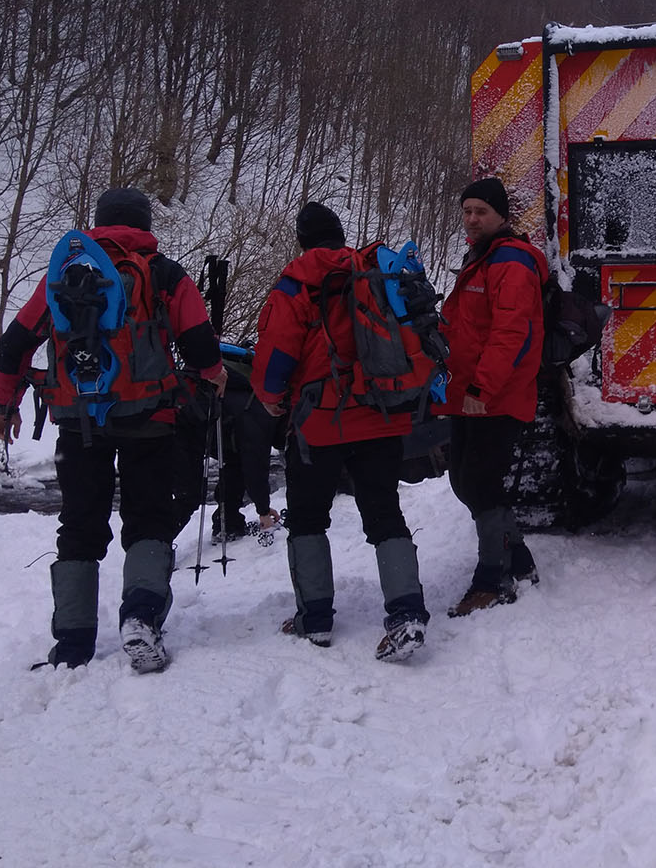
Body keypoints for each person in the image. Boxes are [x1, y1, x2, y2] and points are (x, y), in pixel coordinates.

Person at [0, 187, 226, 672]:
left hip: (78, 421)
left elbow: (15, 345)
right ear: (144, 224)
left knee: (78, 525)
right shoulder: (163, 272)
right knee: (148, 520)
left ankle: (72, 644)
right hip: (149, 419)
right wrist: (215, 375)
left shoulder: (65, 274)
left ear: (99, 222)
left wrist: (5, 405)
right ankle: (140, 617)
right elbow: (200, 346)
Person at [251, 202, 430, 663]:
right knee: (384, 512)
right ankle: (407, 612)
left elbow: (275, 356)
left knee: (308, 518)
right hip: (378, 413)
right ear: (340, 235)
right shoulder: (372, 272)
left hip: (318, 424)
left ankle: (315, 618)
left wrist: (270, 398)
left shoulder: (295, 284)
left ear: (302, 240)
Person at [438, 177, 547, 617]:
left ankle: (492, 580)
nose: (473, 218)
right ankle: (519, 559)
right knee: (464, 481)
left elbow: (512, 335)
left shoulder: (511, 263)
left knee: (480, 482)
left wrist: (484, 388)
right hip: (468, 393)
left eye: (481, 211)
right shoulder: (478, 259)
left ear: (501, 215)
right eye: (467, 211)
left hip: (496, 396)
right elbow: (465, 326)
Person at [171, 344, 281, 543]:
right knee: (188, 496)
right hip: (182, 426)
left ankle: (229, 523)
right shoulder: (262, 409)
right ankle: (154, 551)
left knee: (234, 460)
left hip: (197, 423)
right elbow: (256, 464)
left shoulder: (255, 395)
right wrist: (263, 511)